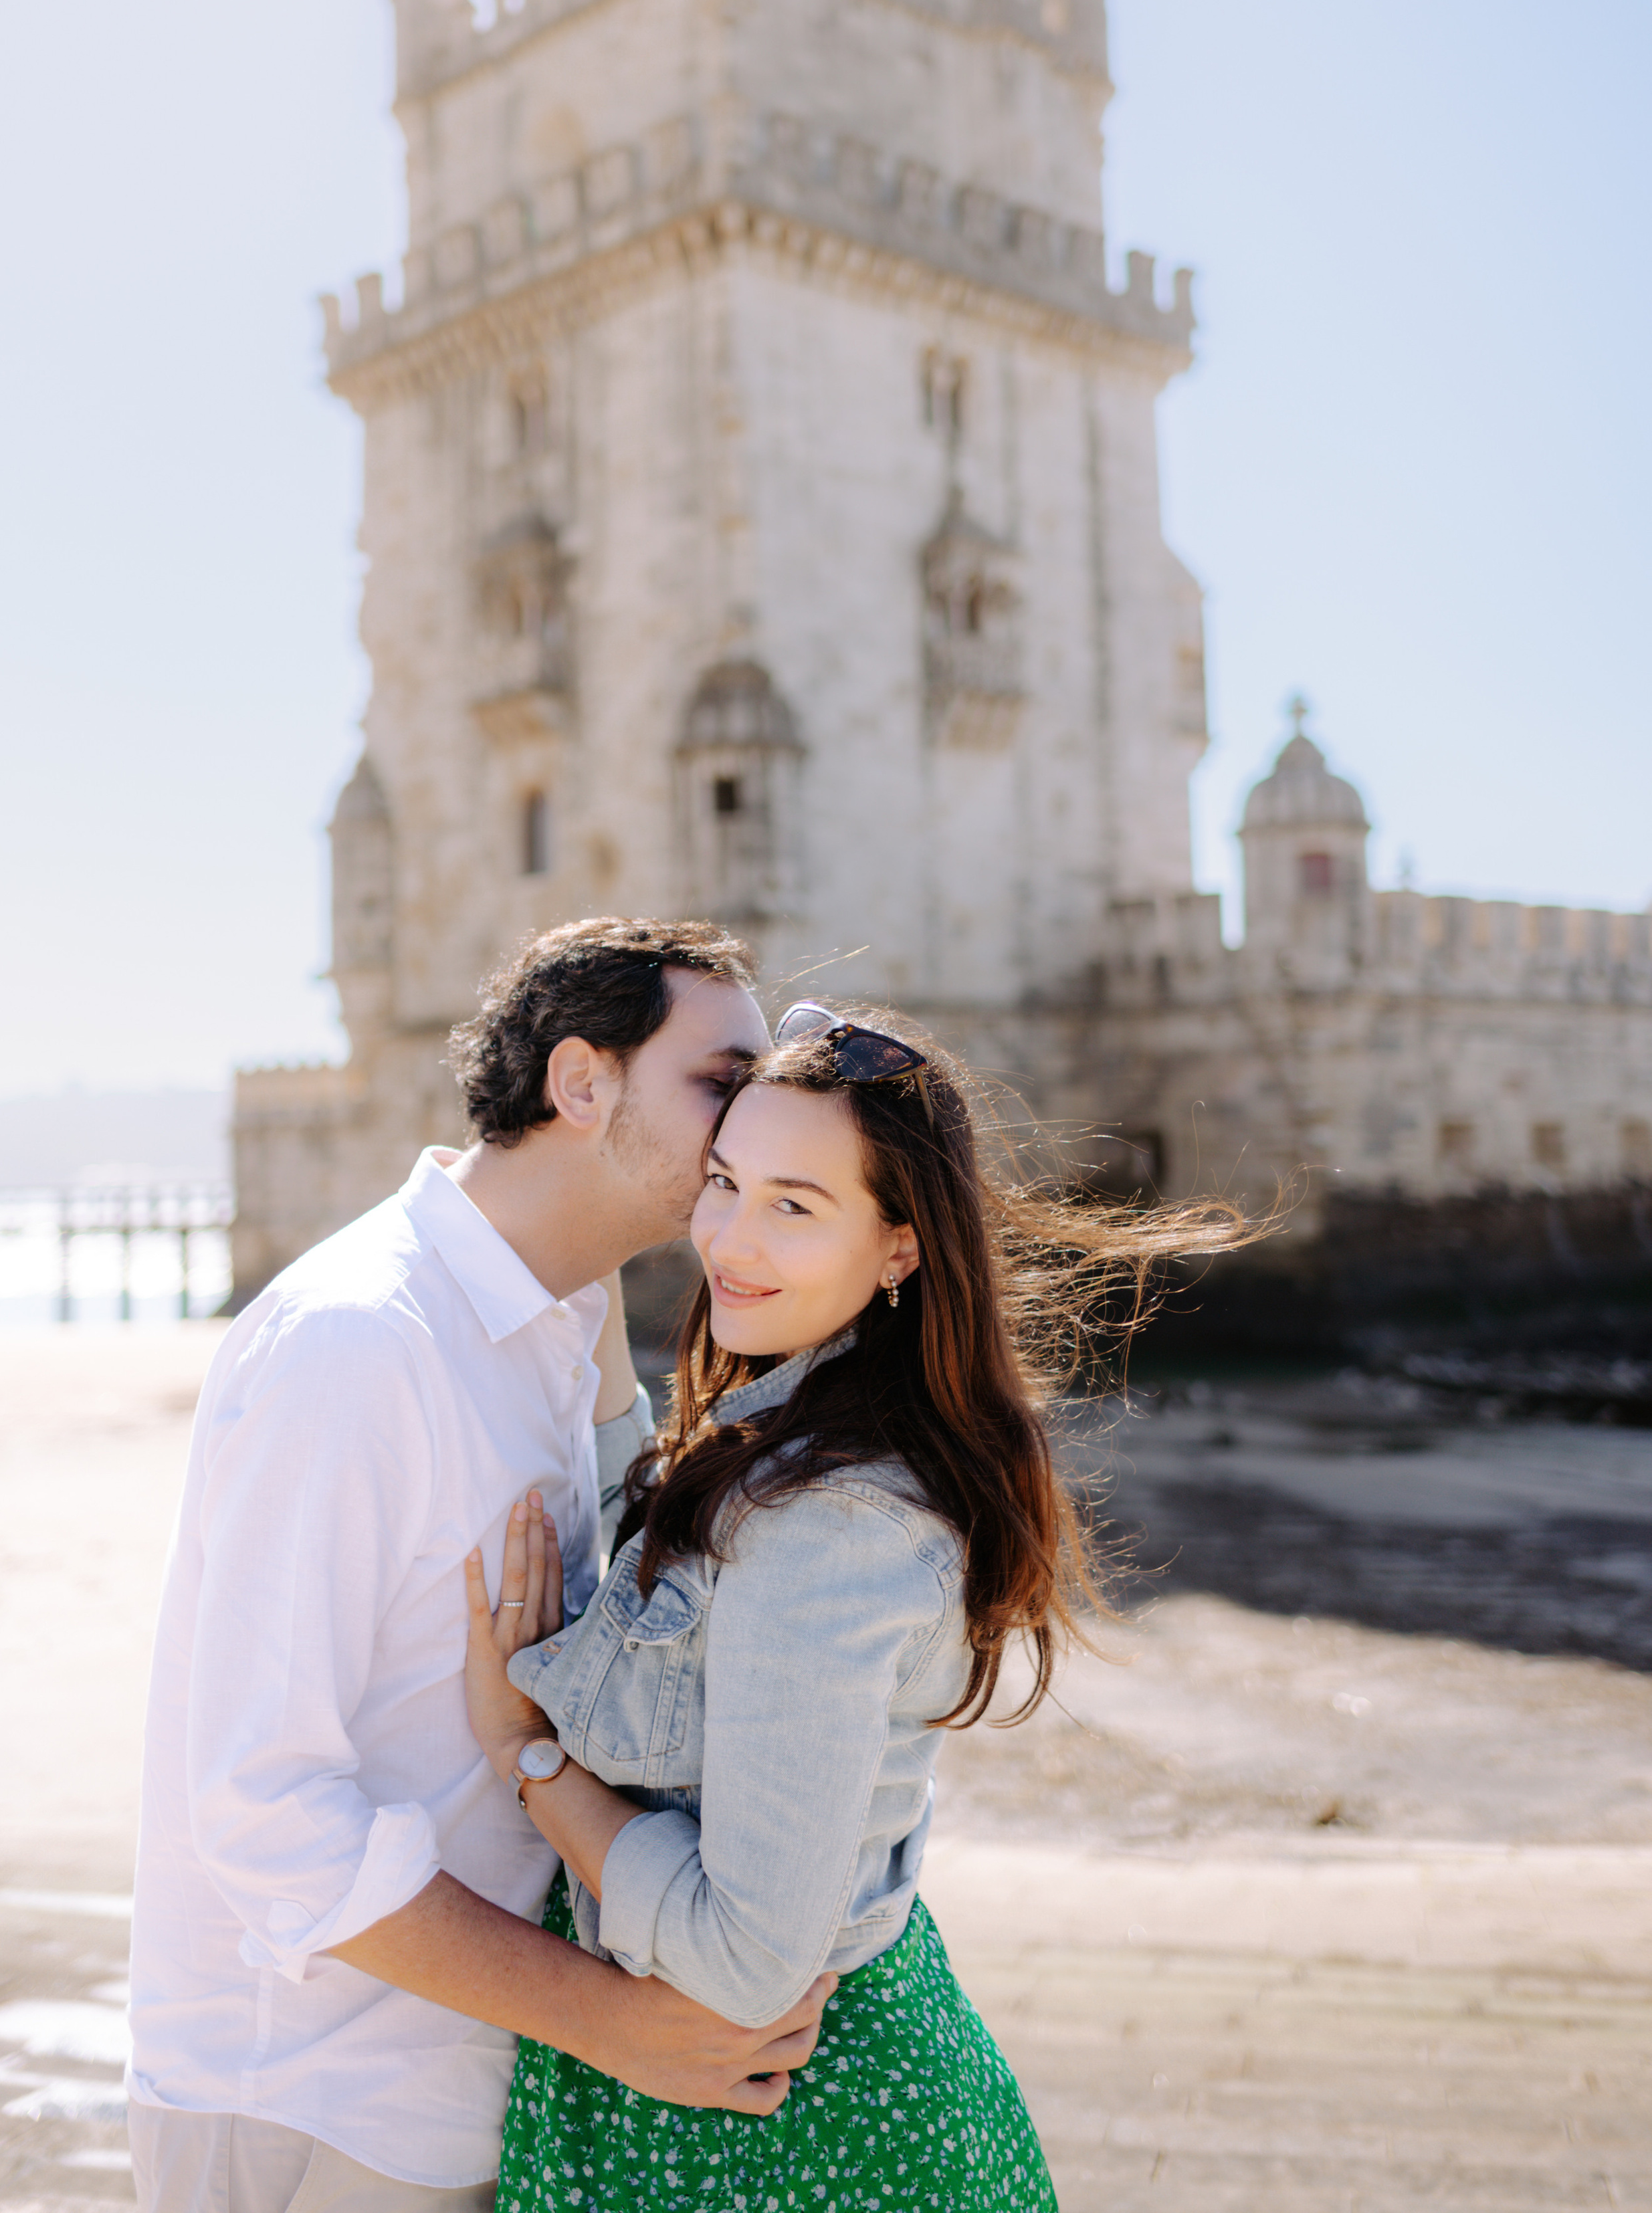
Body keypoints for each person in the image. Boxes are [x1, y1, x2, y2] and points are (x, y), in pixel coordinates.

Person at [463, 1003, 1246, 2211]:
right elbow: (671, 1584)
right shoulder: (802, 1431)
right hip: (766, 2096)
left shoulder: (826, 1524)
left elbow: (746, 1961)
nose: (729, 1237)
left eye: (795, 1204)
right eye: (725, 1182)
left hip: (794, 2132)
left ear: (898, 1247)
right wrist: (590, 1274)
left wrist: (528, 1757)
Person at [126, 918, 842, 2213]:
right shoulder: (359, 1343)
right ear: (581, 1083)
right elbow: (260, 1811)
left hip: (464, 2086)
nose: (753, 1126)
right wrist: (611, 2023)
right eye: (720, 1083)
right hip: (309, 2095)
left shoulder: (554, 1323)